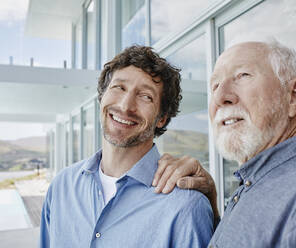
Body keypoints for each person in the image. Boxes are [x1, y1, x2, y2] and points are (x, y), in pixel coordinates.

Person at [152, 40, 296, 247]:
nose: (220, 97)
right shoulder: (260, 182)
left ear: (294, 95)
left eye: (242, 75)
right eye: (215, 85)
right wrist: (212, 207)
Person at [39, 46, 213, 248]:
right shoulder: (62, 186)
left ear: (162, 119)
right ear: (102, 96)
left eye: (145, 96)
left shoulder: (187, 206)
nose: (125, 106)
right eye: (119, 88)